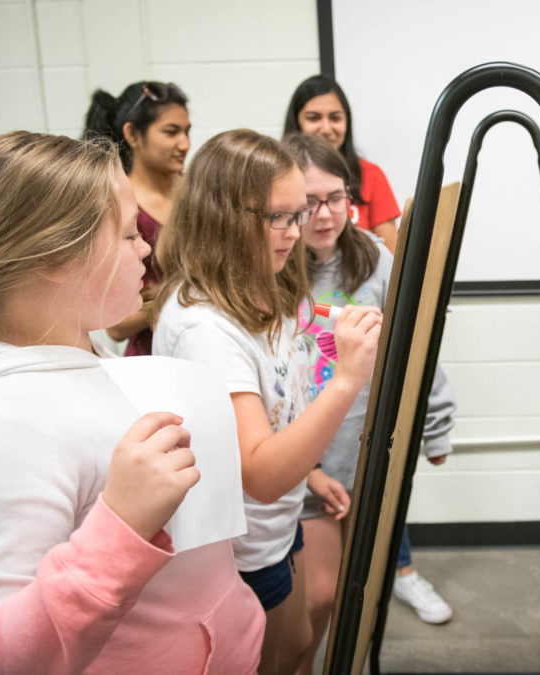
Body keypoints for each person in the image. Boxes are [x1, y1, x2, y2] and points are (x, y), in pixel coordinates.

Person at [0, 131, 263, 672]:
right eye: (129, 235)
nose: (146, 248)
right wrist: (123, 521)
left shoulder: (74, 352)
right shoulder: (5, 423)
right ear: (58, 255)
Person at [149, 129, 382, 675]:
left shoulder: (263, 286)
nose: (295, 231)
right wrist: (347, 379)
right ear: (225, 217)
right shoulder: (206, 329)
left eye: (297, 214)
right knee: (277, 657)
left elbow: (277, 412)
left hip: (275, 528)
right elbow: (260, 474)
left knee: (298, 643)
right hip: (242, 549)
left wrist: (311, 473)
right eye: (279, 217)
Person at [281, 134, 455, 672]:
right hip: (300, 461)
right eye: (308, 203)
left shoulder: (375, 257)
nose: (324, 214)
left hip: (362, 450)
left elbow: (414, 345)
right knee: (316, 599)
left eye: (335, 198)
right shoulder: (273, 266)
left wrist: (436, 422)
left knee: (360, 590)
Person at [82, 81, 191, 356]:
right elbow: (116, 327)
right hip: (151, 358)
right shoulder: (119, 206)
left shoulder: (197, 194)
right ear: (132, 134)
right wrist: (177, 299)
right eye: (171, 132)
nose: (185, 144)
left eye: (187, 131)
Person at [283, 75, 400, 253]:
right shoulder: (279, 178)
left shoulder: (371, 175)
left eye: (335, 118)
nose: (326, 128)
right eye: (313, 118)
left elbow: (392, 255)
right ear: (296, 122)